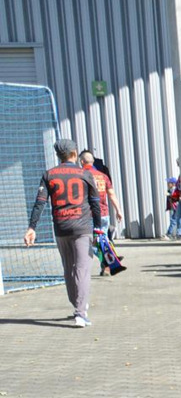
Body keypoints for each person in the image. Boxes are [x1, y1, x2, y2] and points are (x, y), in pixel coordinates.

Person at [24, 139, 102, 327]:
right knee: (82, 269)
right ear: (75, 153)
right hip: (82, 227)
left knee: (69, 269)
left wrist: (32, 227)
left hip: (61, 228)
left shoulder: (49, 174)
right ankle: (80, 312)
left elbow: (40, 203)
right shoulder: (85, 174)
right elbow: (95, 203)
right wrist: (98, 229)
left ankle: (77, 304)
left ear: (58, 155)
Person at [78, 150, 122, 275]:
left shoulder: (81, 175)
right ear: (92, 161)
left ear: (82, 161)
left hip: (90, 214)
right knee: (103, 241)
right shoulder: (103, 176)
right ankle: (108, 263)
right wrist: (118, 210)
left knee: (90, 243)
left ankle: (107, 261)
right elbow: (111, 194)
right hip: (104, 214)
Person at [164, 168, 181, 239]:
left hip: (175, 207)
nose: (167, 184)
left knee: (173, 220)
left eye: (169, 183)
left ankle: (169, 234)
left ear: (173, 184)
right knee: (175, 220)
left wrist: (169, 195)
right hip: (174, 207)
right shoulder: (170, 190)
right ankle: (177, 233)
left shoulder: (173, 190)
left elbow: (174, 198)